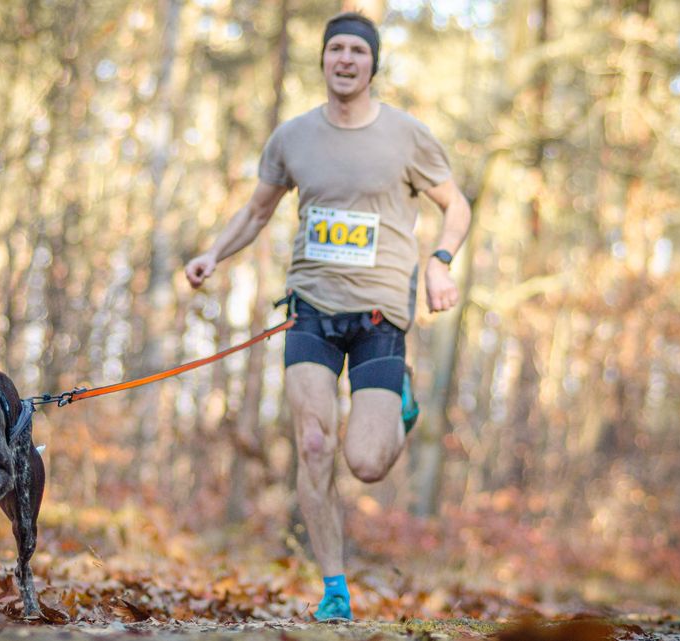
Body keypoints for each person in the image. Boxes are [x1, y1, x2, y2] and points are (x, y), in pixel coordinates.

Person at [184, 11, 471, 622]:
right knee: (314, 443)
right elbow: (257, 212)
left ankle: (399, 400)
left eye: (357, 52)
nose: (345, 59)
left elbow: (457, 204)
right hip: (310, 308)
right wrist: (213, 252)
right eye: (335, 49)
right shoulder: (292, 137)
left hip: (379, 315)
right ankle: (335, 588)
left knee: (365, 463)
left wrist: (442, 260)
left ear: (372, 64)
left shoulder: (406, 136)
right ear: (323, 59)